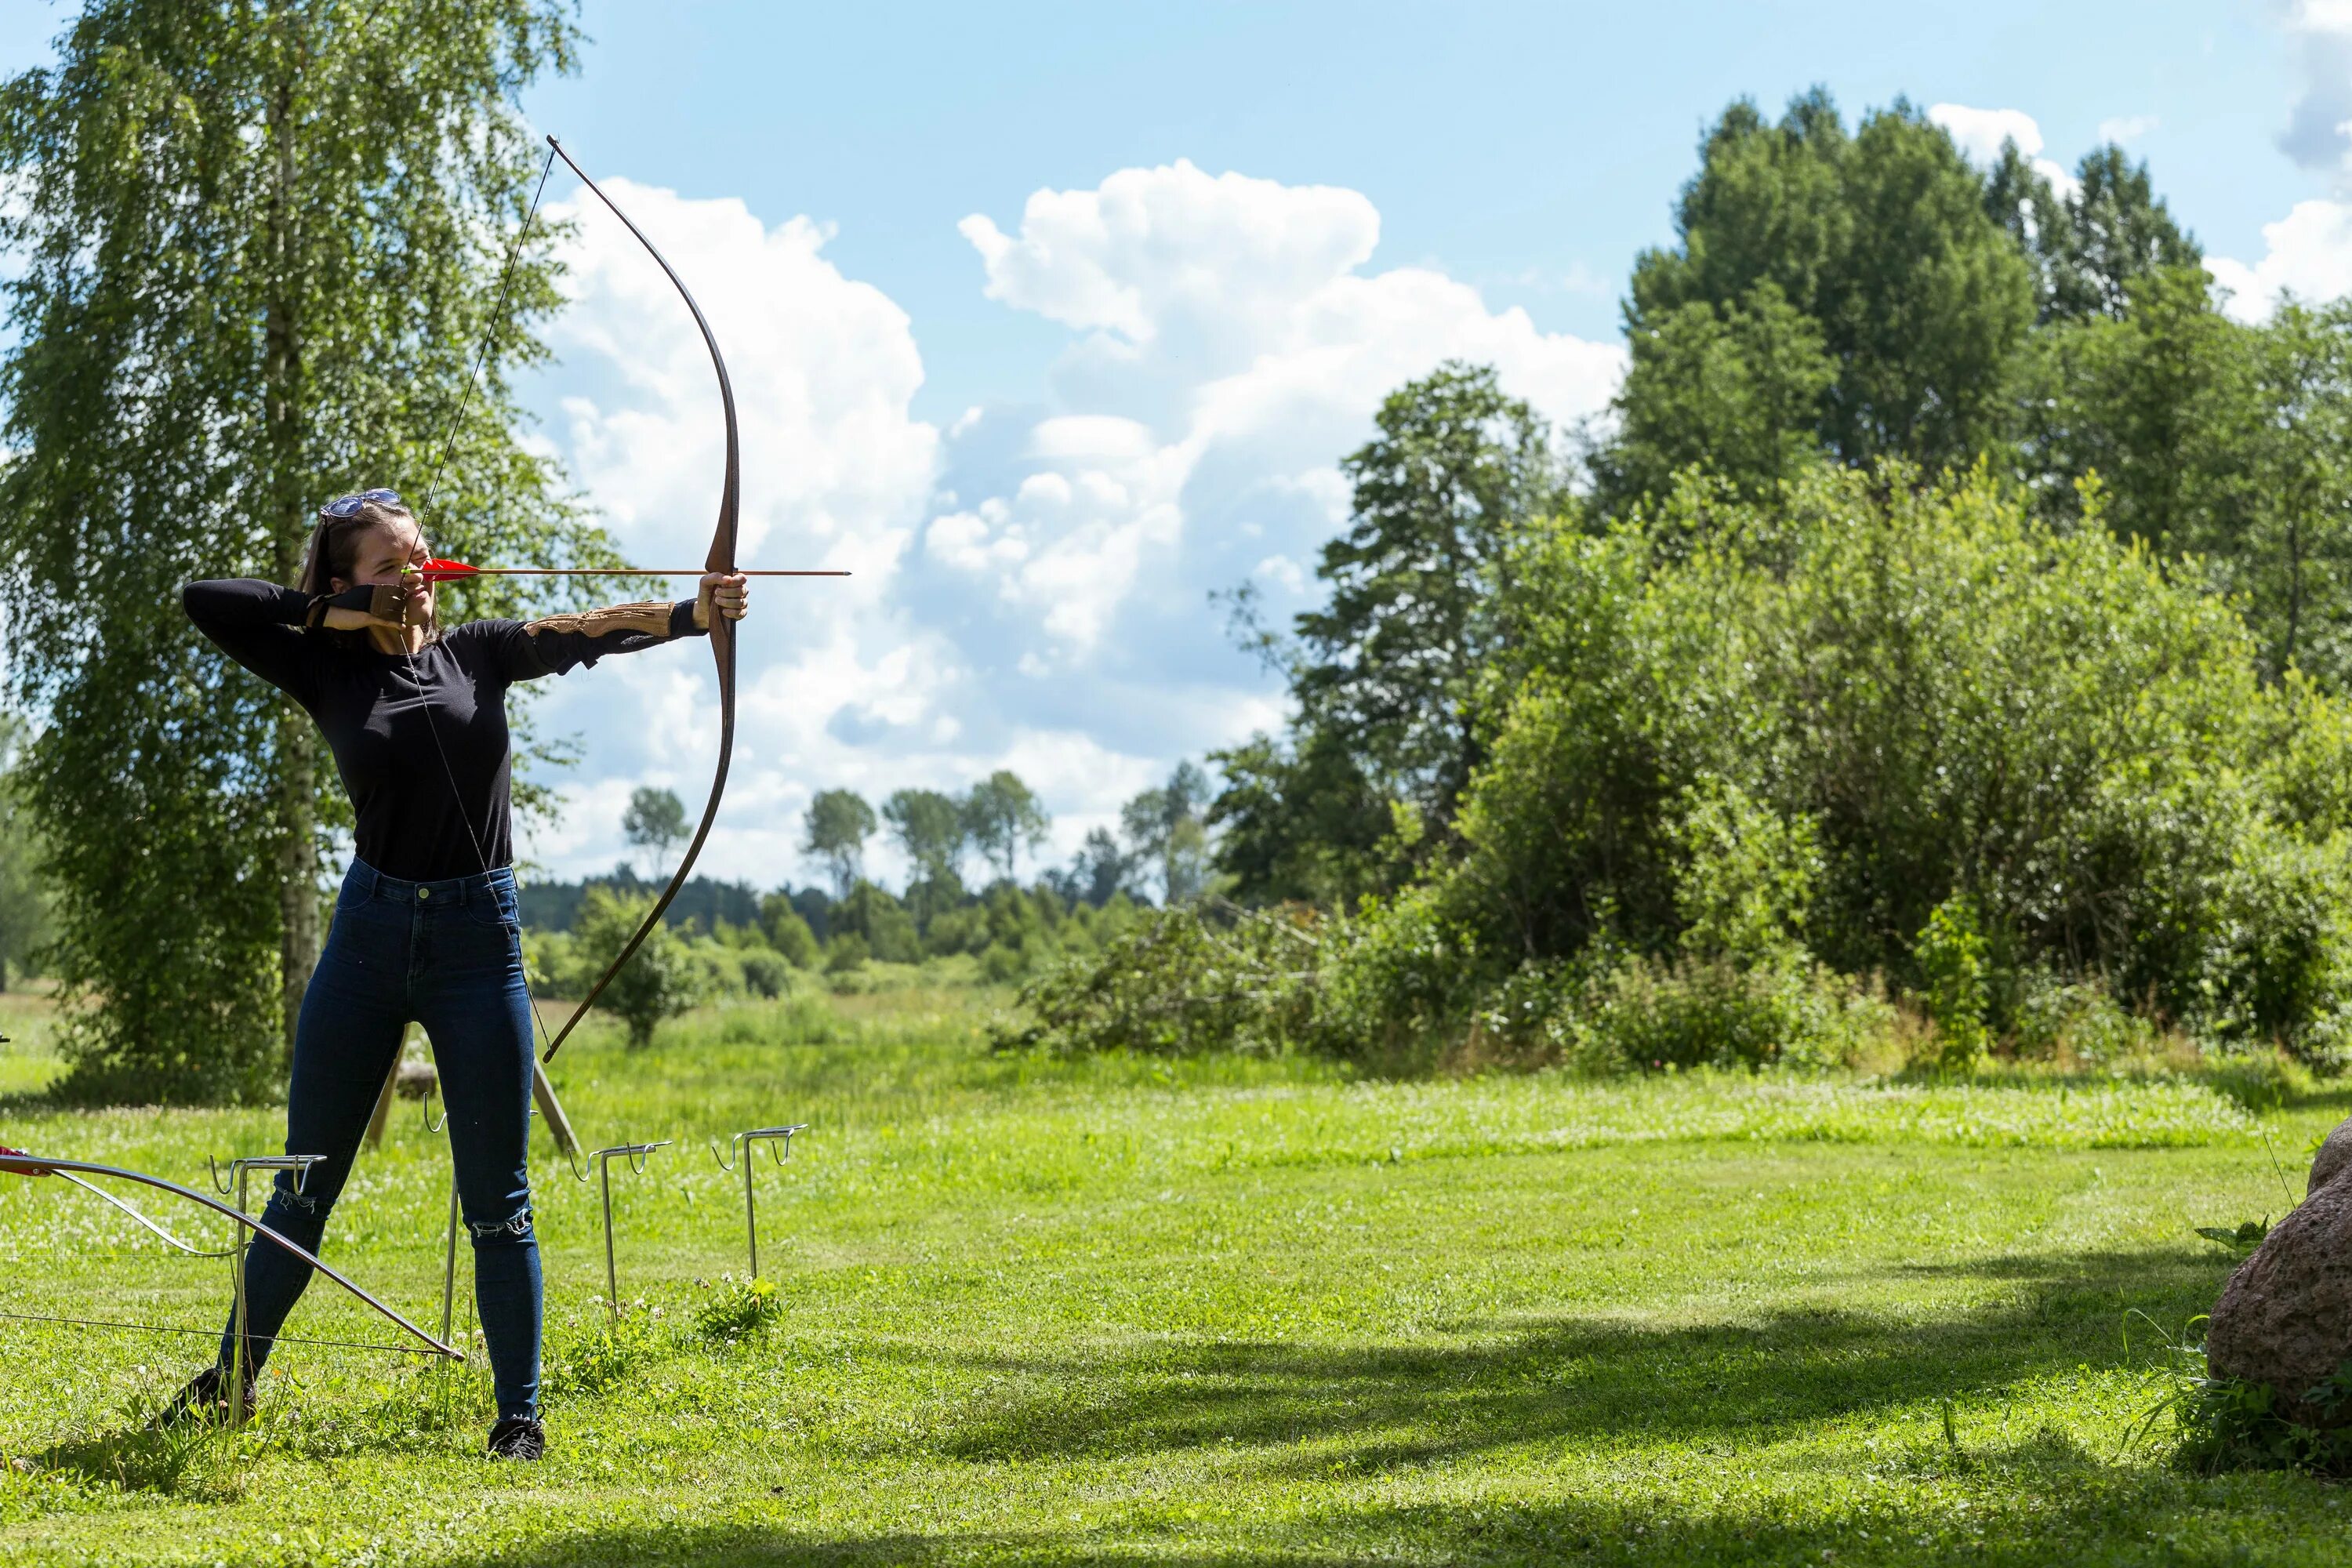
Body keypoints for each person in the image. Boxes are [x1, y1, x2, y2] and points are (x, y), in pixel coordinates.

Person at [168, 488, 749, 1460]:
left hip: (480, 937)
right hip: (368, 935)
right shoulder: (322, 666)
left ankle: (518, 1415)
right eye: (395, 562)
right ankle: (230, 1380)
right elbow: (205, 596)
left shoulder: (475, 649)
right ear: (349, 579)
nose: (420, 573)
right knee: (303, 1181)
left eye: (424, 554)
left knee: (501, 1199)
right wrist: (334, 613)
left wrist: (694, 613)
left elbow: (578, 631)